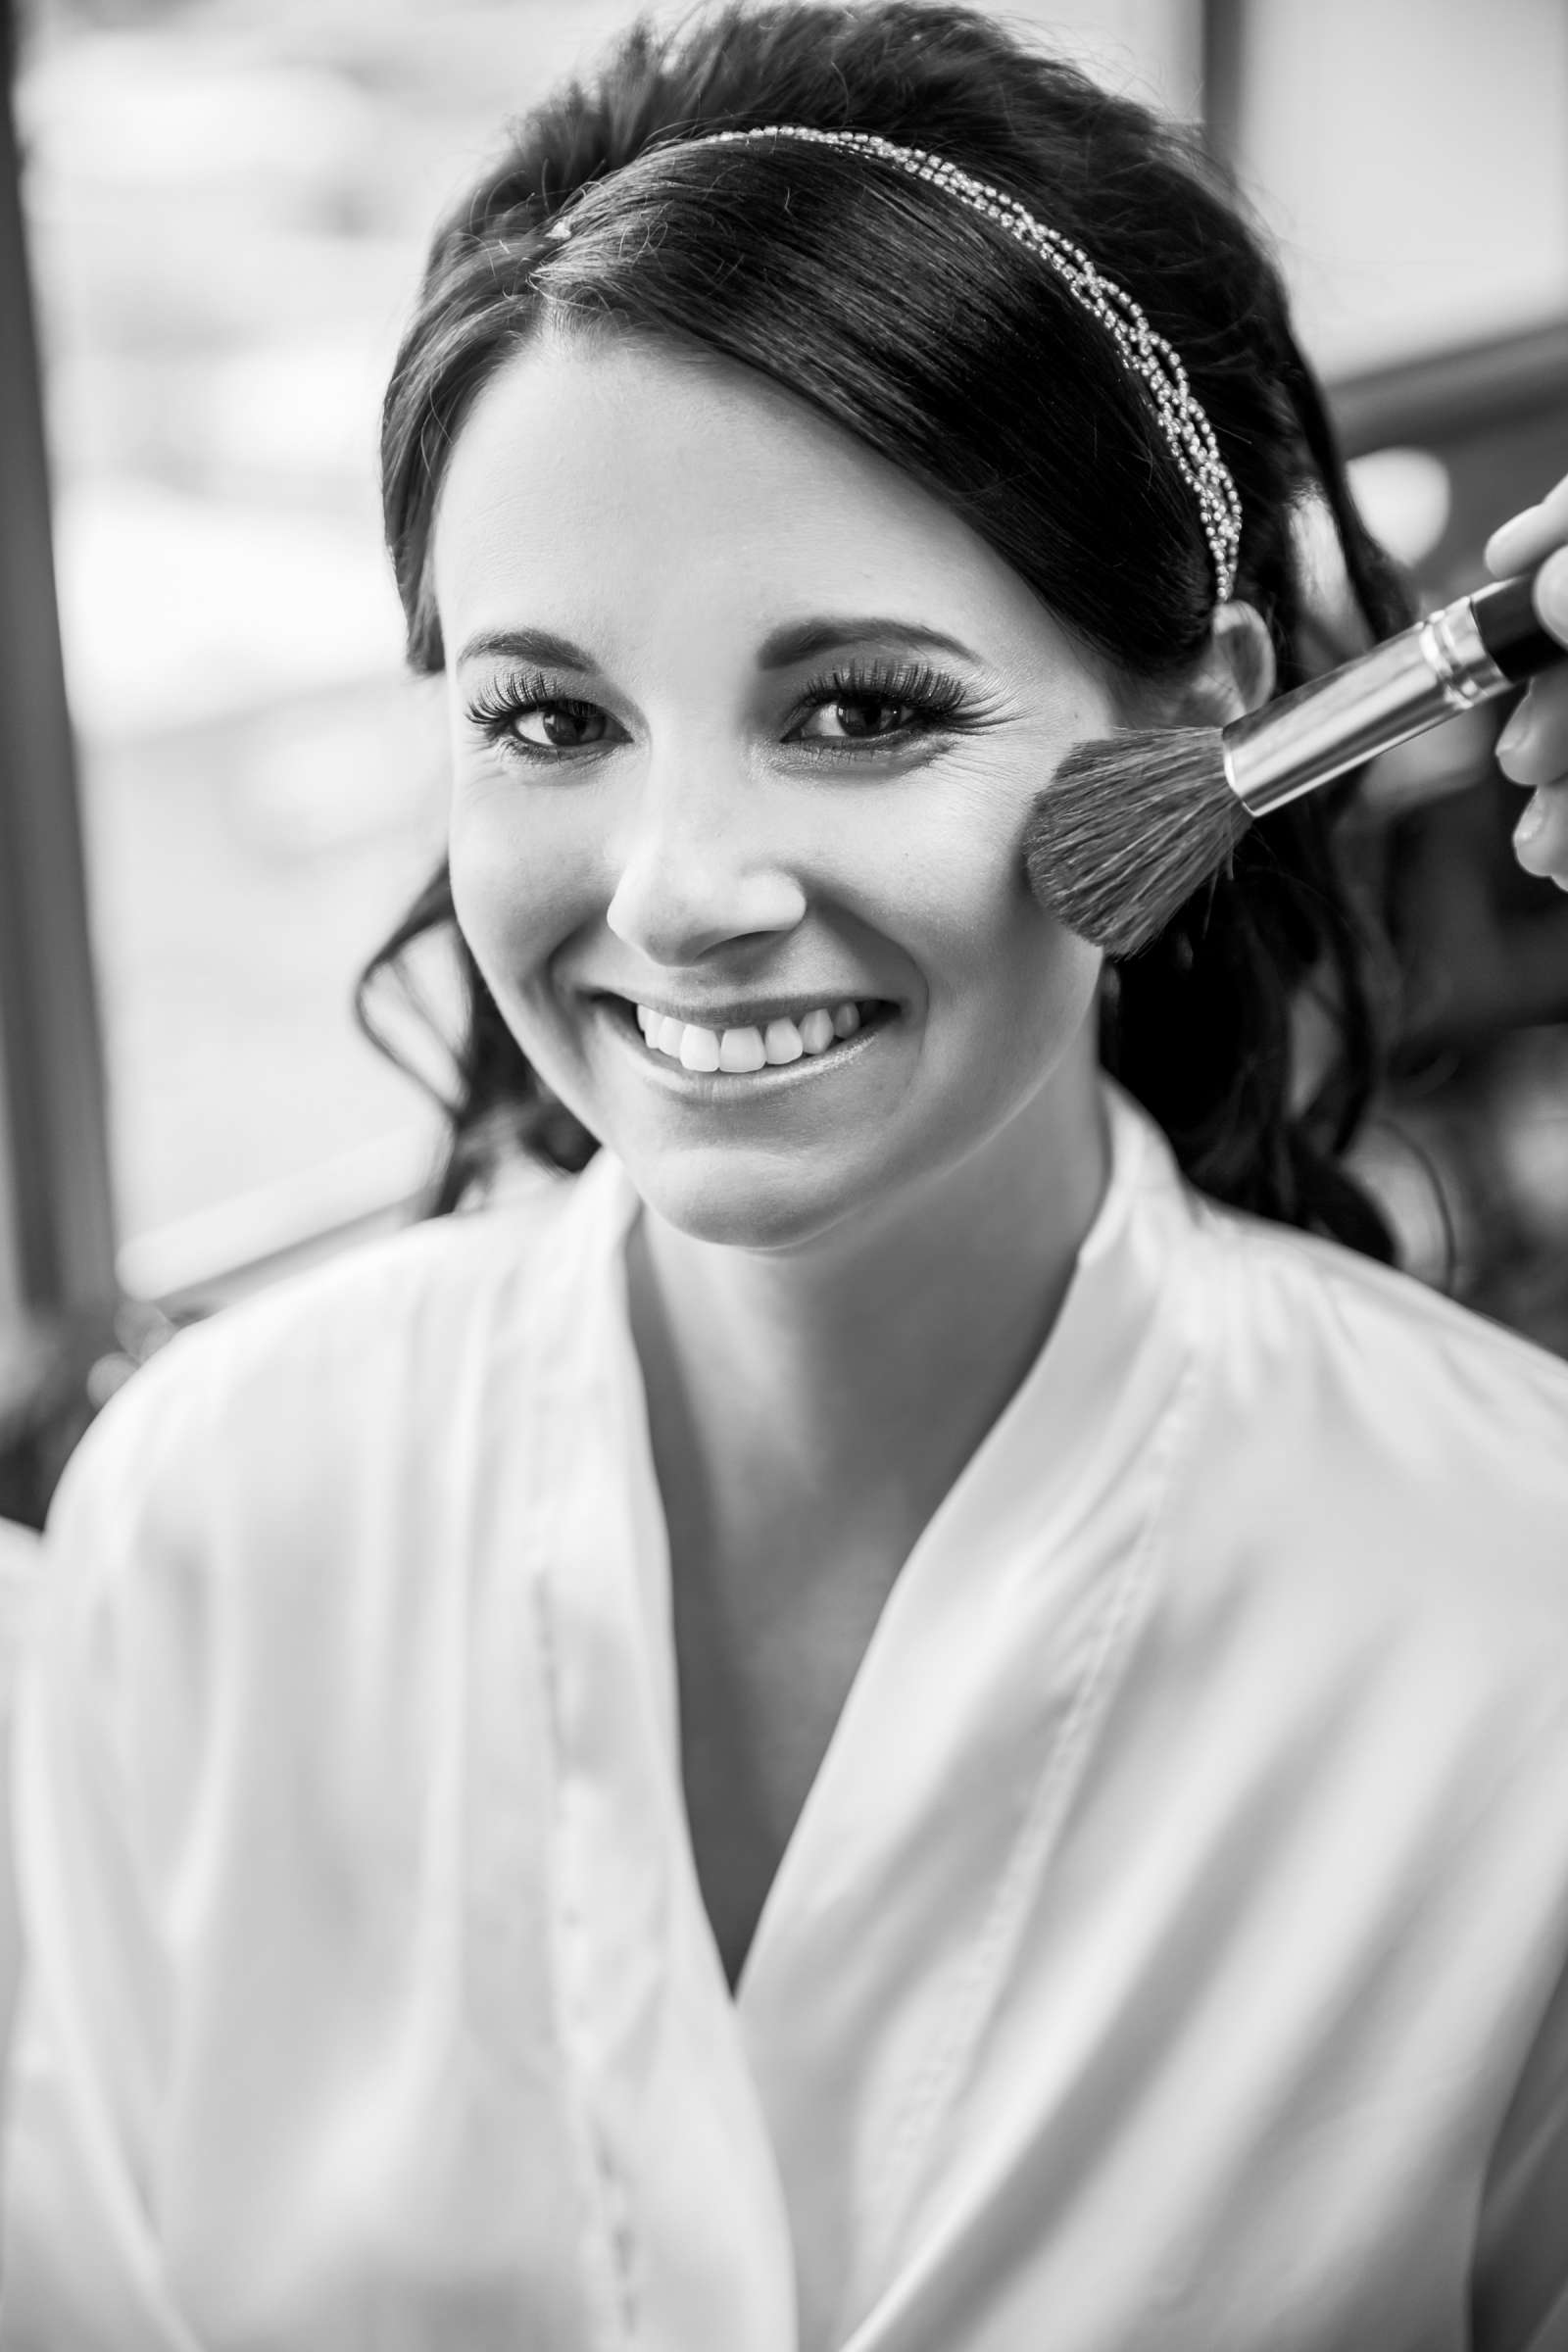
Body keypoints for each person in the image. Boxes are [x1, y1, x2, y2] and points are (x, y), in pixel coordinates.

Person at [3, 5, 1568, 2345]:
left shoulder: (1507, 1618)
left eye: (861, 710)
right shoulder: (212, 1516)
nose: (673, 891)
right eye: (549, 718)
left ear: (1198, 727)